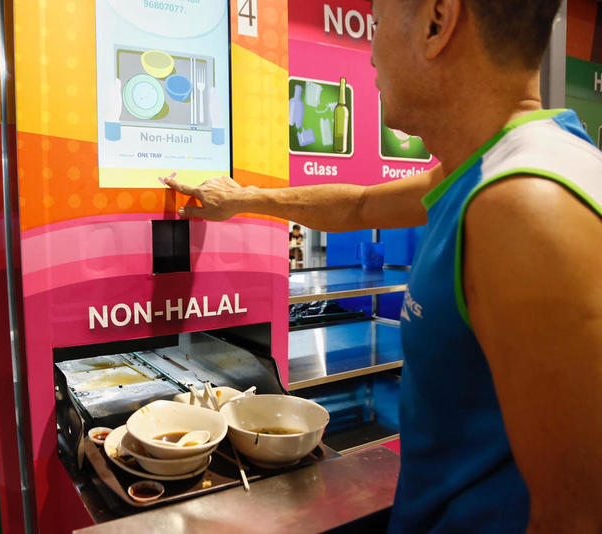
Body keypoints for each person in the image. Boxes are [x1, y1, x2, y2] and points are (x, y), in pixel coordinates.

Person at [165, 0, 602, 532]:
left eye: (376, 22)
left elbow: (576, 515)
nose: (370, 52)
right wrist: (242, 197)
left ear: (437, 22)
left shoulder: (526, 207)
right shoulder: (495, 166)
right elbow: (360, 205)